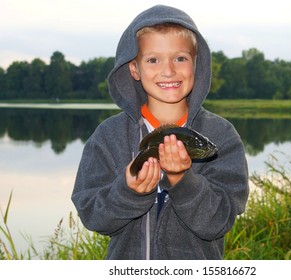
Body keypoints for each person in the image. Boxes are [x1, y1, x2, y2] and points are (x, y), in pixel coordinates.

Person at [71, 4, 249, 260]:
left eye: (180, 58)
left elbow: (217, 223)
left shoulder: (221, 136)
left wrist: (182, 180)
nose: (168, 70)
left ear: (196, 65)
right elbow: (94, 217)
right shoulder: (108, 136)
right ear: (134, 68)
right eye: (153, 59)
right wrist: (128, 192)